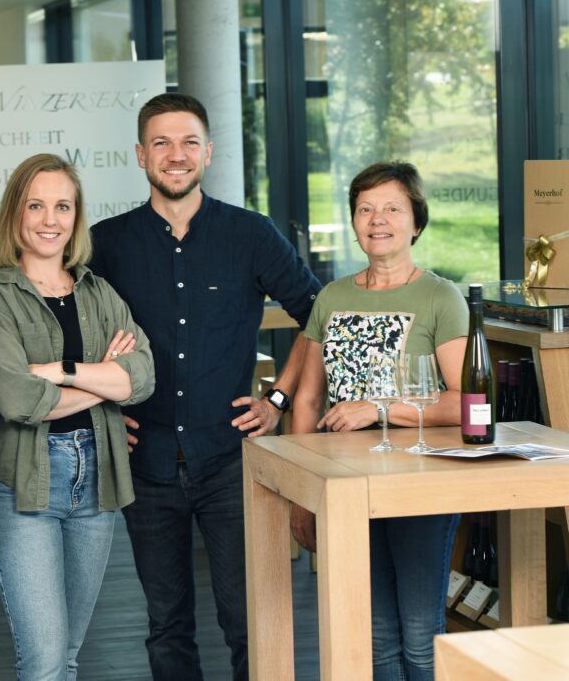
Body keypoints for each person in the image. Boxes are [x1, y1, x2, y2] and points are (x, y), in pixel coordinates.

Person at [89, 92, 322, 680]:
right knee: (166, 625)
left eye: (189, 142)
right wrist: (105, 407)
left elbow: (318, 317)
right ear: (140, 154)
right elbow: (72, 334)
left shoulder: (251, 234)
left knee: (248, 620)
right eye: (162, 143)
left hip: (230, 459)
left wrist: (279, 398)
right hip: (147, 462)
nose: (176, 155)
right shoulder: (105, 243)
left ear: (209, 153)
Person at [0, 153, 155, 681]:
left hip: (98, 482)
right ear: (16, 215)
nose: (50, 219)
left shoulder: (99, 292)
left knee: (68, 655)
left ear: (76, 217)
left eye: (63, 206)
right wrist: (103, 380)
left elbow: (142, 378)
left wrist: (63, 370)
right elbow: (19, 401)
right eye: (36, 205)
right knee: (45, 661)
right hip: (25, 487)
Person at [290, 161, 467, 680]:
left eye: (393, 207)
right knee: (377, 640)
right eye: (365, 208)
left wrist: (379, 407)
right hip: (344, 489)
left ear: (416, 222)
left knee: (418, 637)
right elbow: (306, 400)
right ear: (353, 221)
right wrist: (303, 495)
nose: (378, 219)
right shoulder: (332, 297)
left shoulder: (440, 297)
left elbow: (467, 402)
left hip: (420, 485)